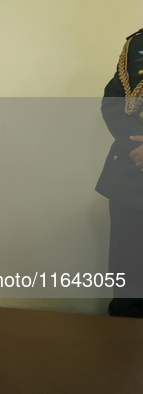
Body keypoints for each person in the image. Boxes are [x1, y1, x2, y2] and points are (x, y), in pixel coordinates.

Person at [96, 29, 143, 318]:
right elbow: (113, 102)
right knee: (129, 279)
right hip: (133, 179)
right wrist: (136, 147)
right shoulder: (137, 44)